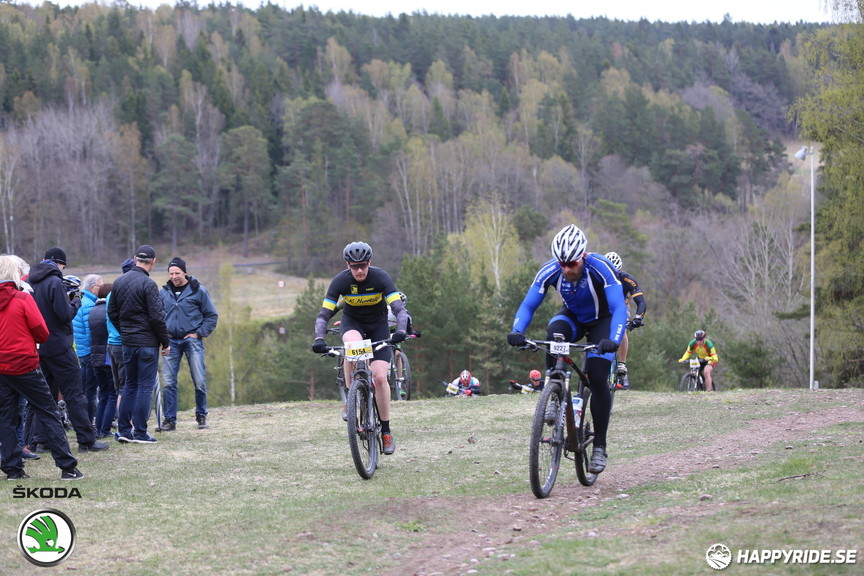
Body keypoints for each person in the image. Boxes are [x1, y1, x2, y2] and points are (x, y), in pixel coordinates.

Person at [507, 224, 627, 474]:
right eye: (561, 264)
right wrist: (518, 331)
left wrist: (614, 339)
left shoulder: (601, 268)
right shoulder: (551, 270)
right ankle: (554, 388)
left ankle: (600, 446)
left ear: (582, 256)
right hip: (573, 317)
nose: (566, 269)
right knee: (554, 333)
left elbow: (618, 309)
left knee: (596, 377)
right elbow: (528, 305)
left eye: (571, 264)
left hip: (602, 322)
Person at [312, 241, 408, 455]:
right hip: (352, 323)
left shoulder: (380, 277)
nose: (359, 270)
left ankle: (386, 430)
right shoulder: (340, 282)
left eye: (363, 265)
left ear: (369, 263)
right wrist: (319, 337)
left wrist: (400, 330)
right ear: (348, 265)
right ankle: (350, 397)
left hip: (379, 327)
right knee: (352, 347)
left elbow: (399, 310)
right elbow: (324, 314)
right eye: (354, 266)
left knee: (381, 378)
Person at [0, 255, 84, 480]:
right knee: (48, 411)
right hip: (24, 363)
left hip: (2, 366)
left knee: (7, 417)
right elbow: (42, 332)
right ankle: (67, 466)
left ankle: (13, 470)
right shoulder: (23, 299)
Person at [27, 247, 109, 453]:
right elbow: (64, 315)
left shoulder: (29, 282)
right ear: (58, 263)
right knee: (74, 393)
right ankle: (86, 440)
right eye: (63, 265)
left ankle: (41, 441)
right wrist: (75, 302)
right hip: (60, 347)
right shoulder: (55, 282)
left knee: (45, 396)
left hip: (39, 347)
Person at [108, 245, 170, 444]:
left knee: (129, 386)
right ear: (153, 262)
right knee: (145, 386)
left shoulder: (118, 282)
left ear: (135, 259)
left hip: (128, 343)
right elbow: (157, 318)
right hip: (147, 344)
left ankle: (124, 430)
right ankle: (141, 432)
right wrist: (165, 342)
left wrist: (125, 331)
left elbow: (112, 313)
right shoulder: (148, 284)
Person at [159, 256, 219, 431]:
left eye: (177, 273)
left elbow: (211, 315)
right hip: (170, 341)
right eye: (171, 273)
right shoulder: (163, 293)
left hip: (191, 341)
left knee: (199, 380)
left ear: (184, 272)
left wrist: (198, 333)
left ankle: (201, 416)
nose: (174, 276)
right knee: (169, 382)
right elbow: (157, 316)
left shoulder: (199, 291)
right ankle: (169, 420)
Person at [603, 251, 647, 390]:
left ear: (620, 270)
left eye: (616, 273)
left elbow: (641, 302)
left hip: (621, 306)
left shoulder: (627, 279)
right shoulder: (597, 277)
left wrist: (638, 318)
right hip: (602, 307)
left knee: (622, 328)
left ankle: (622, 363)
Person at [73, 274, 104, 423]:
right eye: (100, 286)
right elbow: (92, 331)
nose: (102, 288)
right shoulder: (90, 305)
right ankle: (89, 422)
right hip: (90, 352)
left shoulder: (81, 301)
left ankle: (85, 421)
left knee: (85, 389)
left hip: (82, 351)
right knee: (90, 391)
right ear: (93, 288)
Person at [90, 283, 117, 439]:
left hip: (95, 356)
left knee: (103, 394)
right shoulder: (109, 311)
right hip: (107, 357)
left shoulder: (92, 311)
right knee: (112, 393)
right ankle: (105, 429)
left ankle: (99, 427)